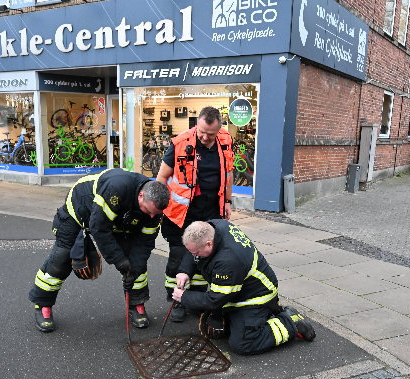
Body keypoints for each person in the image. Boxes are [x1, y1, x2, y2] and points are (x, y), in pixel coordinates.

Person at [29, 168, 170, 332]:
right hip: (81, 211)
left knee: (135, 262)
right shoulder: (117, 188)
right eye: (148, 211)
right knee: (62, 258)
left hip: (119, 219)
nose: (151, 217)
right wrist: (118, 259)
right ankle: (43, 304)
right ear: (141, 196)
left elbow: (144, 243)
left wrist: (133, 268)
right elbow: (99, 228)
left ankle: (136, 303)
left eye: (156, 214)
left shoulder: (154, 210)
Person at [171, 220, 316, 355]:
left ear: (209, 244)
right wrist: (185, 271)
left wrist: (183, 297)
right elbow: (194, 248)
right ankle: (248, 318)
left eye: (196, 253)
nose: (193, 256)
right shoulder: (214, 226)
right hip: (240, 289)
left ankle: (290, 322)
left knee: (242, 343)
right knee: (201, 308)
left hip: (257, 297)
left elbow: (214, 299)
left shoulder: (228, 260)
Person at [156, 106, 234, 324]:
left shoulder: (225, 141)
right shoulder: (180, 143)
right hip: (181, 214)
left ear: (218, 130)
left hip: (211, 211)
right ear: (196, 124)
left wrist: (228, 201)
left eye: (210, 134)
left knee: (204, 256)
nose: (205, 137)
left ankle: (195, 299)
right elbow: (161, 178)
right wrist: (158, 207)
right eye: (201, 131)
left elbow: (228, 173)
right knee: (179, 256)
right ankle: (176, 301)